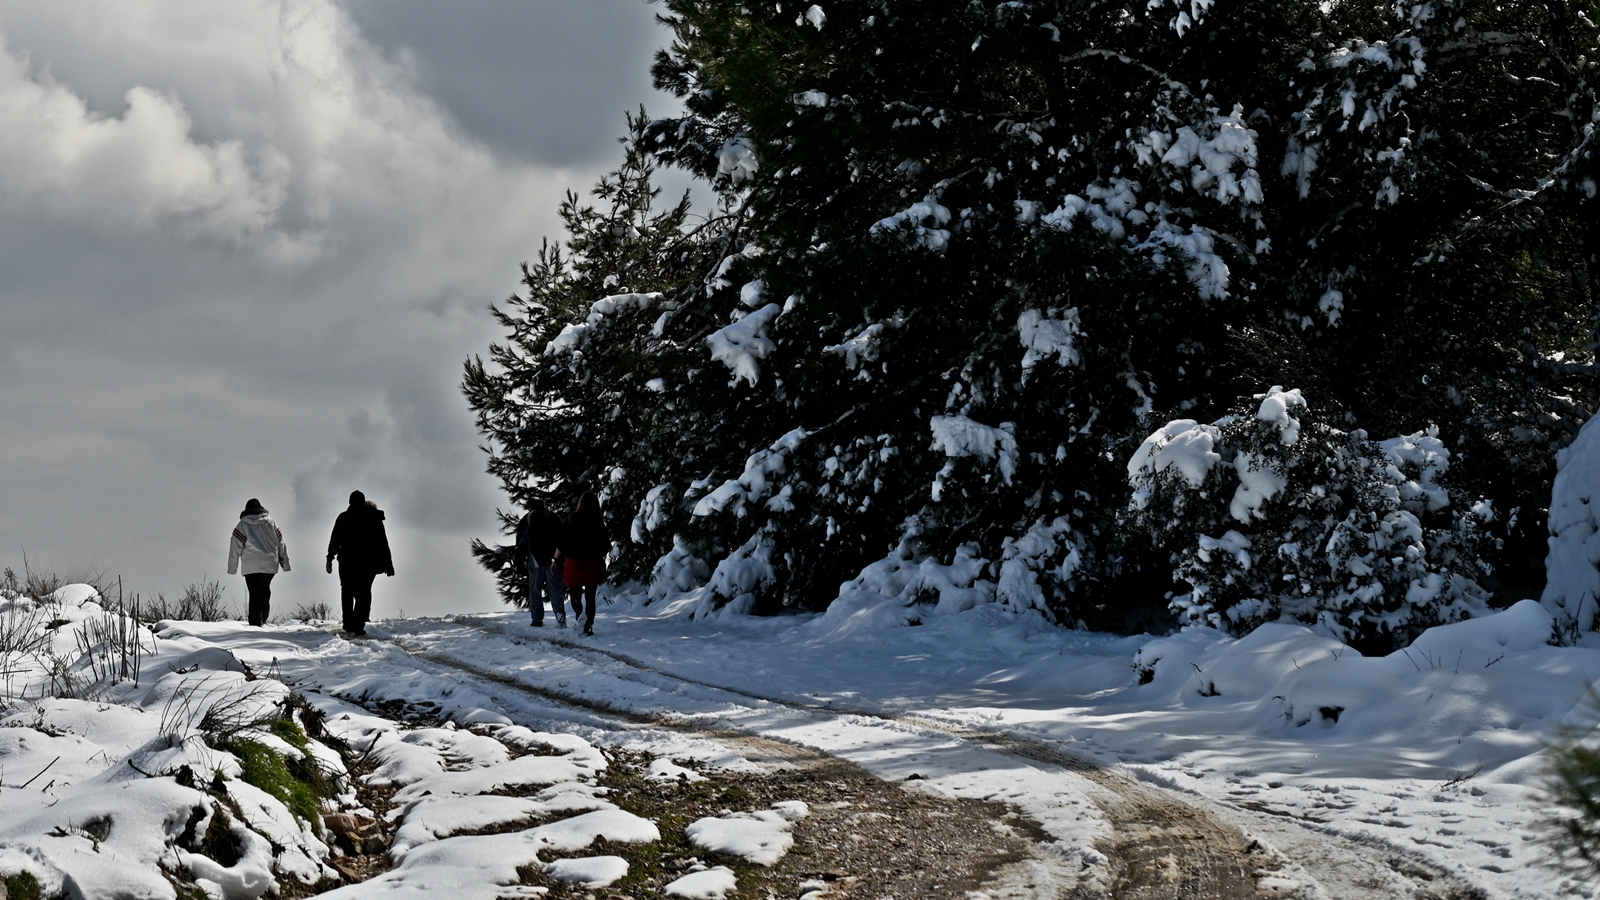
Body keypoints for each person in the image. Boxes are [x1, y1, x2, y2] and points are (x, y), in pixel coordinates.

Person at [325, 490, 394, 636]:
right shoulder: (374, 517)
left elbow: (335, 539)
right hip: (367, 563)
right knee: (363, 592)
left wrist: (330, 557)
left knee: (347, 591)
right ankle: (359, 624)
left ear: (350, 502)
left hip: (346, 562)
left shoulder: (343, 517)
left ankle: (348, 623)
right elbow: (382, 542)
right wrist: (389, 564)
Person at [227, 498, 291, 626]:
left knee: (254, 593)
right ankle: (263, 617)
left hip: (251, 565)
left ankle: (256, 624)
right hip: (269, 563)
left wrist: (232, 568)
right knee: (265, 589)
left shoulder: (242, 525)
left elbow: (235, 546)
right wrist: (285, 564)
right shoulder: (271, 523)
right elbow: (281, 543)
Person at [553, 492, 608, 636]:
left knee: (575, 594)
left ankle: (579, 615)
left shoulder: (572, 518)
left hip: (573, 563)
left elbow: (561, 542)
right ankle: (588, 624)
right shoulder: (597, 521)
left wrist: (556, 560)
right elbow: (606, 544)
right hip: (593, 563)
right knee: (591, 598)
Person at [515, 498, 566, 627]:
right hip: (554, 560)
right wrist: (559, 559)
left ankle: (537, 619)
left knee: (535, 590)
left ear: (530, 506)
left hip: (535, 560)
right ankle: (560, 615)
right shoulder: (555, 517)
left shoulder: (527, 519)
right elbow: (563, 539)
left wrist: (519, 562)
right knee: (555, 588)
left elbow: (522, 542)